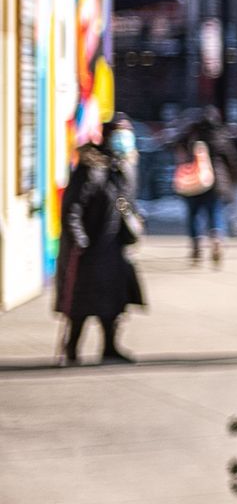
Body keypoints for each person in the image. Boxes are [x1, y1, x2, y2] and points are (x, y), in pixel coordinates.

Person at [56, 114, 145, 365]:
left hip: (115, 247)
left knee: (114, 304)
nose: (125, 139)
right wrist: (78, 238)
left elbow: (128, 203)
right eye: (120, 133)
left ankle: (109, 347)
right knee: (81, 304)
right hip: (90, 249)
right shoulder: (90, 167)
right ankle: (72, 348)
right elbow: (72, 208)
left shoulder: (124, 167)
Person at [173, 106, 237, 267]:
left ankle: (196, 243)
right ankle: (217, 238)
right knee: (215, 213)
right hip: (217, 182)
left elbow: (174, 144)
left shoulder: (192, 135)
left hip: (193, 182)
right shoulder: (221, 135)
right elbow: (232, 159)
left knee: (194, 215)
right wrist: (235, 177)